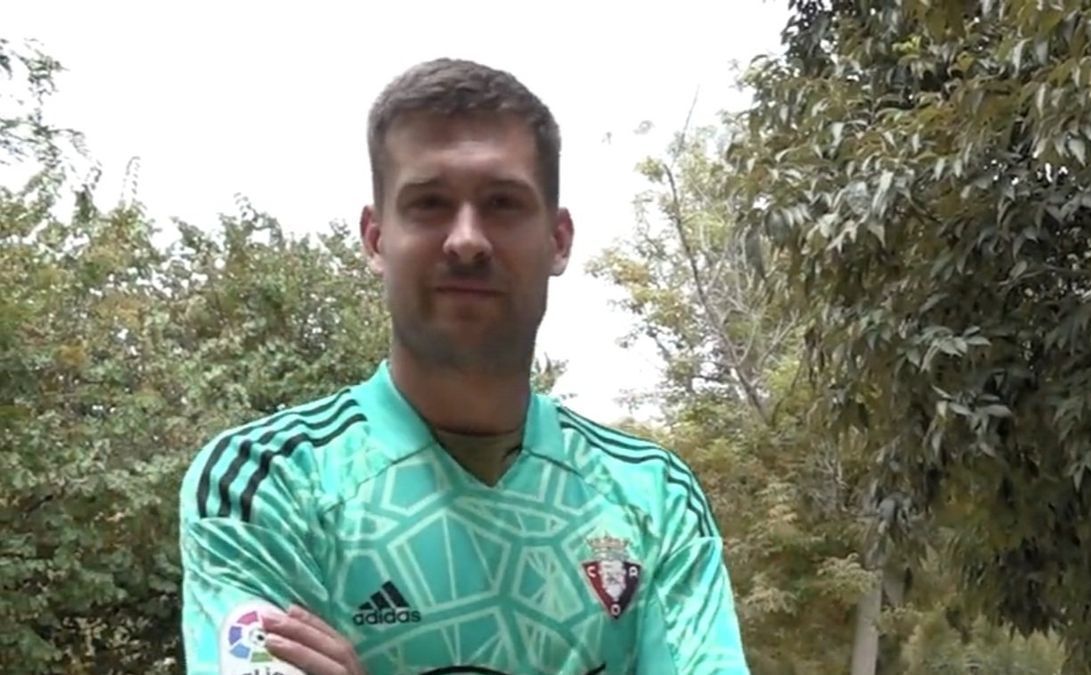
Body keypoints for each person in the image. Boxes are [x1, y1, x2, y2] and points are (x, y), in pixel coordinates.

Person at [177, 57, 748, 675]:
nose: (467, 240)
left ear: (558, 240)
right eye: (429, 204)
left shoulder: (655, 499)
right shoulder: (264, 484)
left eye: (503, 203)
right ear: (375, 239)